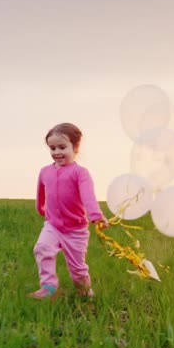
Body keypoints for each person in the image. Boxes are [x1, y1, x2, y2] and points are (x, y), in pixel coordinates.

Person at [29, 122, 108, 300]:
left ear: (75, 147)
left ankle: (85, 293)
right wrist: (41, 210)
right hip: (53, 225)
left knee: (77, 268)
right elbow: (41, 195)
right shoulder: (44, 172)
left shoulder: (81, 173)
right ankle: (49, 287)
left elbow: (88, 196)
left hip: (76, 230)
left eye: (62, 147)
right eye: (52, 148)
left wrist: (95, 215)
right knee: (42, 248)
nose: (57, 152)